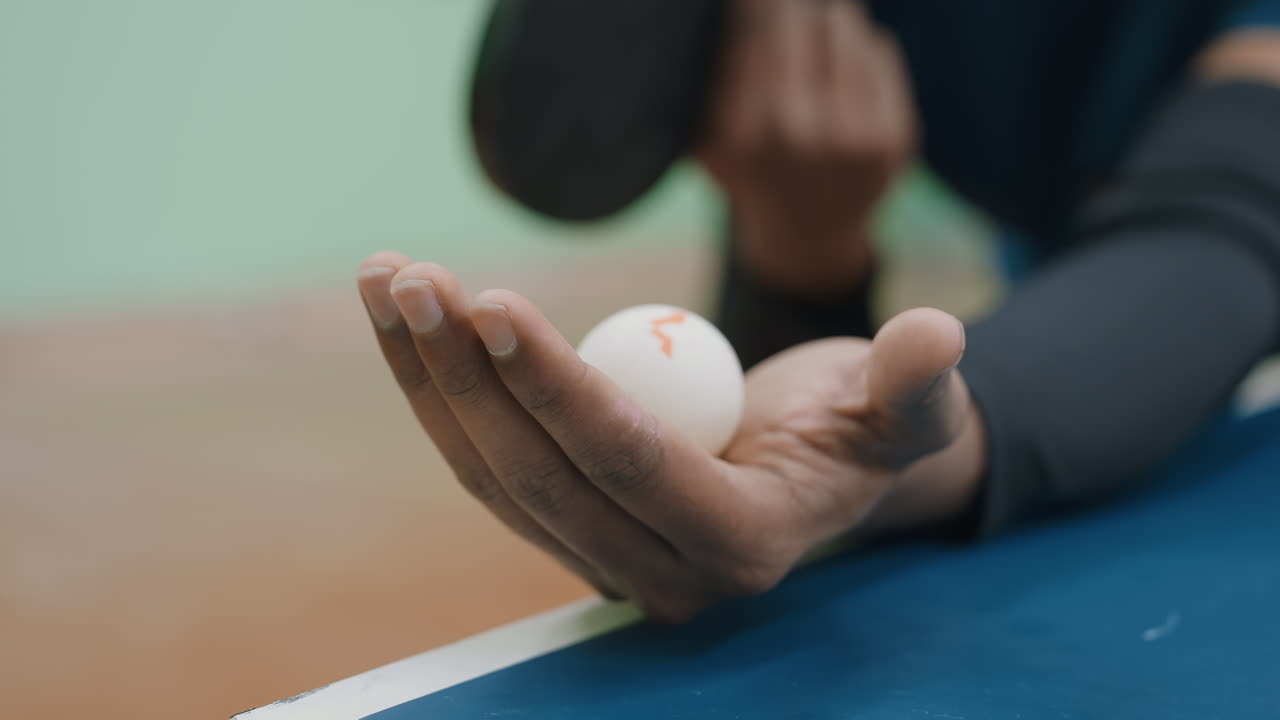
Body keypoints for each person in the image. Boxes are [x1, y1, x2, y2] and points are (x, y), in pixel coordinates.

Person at [355, 0, 1280, 622]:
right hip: (1093, 301)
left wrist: (968, 412)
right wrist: (801, 246)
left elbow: (1233, 208)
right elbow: (769, 457)